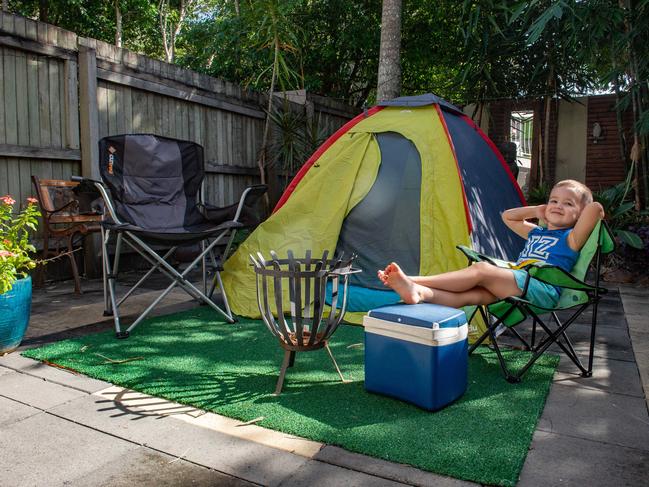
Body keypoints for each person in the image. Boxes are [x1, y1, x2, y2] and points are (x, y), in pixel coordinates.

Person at [378, 179, 605, 308]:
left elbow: (596, 209)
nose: (558, 206)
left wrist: (585, 210)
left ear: (580, 214)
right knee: (472, 296)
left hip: (540, 289)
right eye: (553, 201)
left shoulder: (571, 239)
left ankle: (413, 279)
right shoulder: (536, 233)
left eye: (568, 204)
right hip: (518, 282)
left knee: (482, 270)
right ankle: (419, 292)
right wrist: (537, 210)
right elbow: (508, 216)